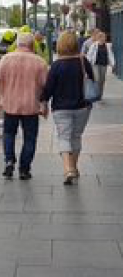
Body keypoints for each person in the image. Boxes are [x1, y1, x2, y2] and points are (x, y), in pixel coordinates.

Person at [0, 32, 49, 180]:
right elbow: (45, 87)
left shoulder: (6, 59)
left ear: (17, 44)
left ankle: (9, 160)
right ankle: (24, 169)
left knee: (9, 134)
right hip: (31, 106)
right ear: (32, 45)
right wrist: (44, 105)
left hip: (10, 104)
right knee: (30, 138)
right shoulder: (39, 62)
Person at [40, 31, 94, 185]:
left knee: (64, 137)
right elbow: (92, 80)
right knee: (76, 137)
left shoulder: (57, 65)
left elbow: (48, 88)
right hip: (82, 106)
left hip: (61, 108)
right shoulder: (83, 61)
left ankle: (68, 169)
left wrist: (43, 102)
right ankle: (74, 167)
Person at [86, 30, 116, 100]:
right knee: (97, 79)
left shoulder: (108, 46)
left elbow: (110, 55)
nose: (103, 38)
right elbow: (89, 55)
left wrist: (113, 64)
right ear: (99, 38)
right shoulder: (94, 45)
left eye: (104, 37)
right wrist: (88, 64)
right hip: (95, 65)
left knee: (102, 80)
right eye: (102, 37)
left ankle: (100, 95)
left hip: (104, 65)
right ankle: (96, 94)